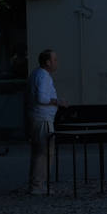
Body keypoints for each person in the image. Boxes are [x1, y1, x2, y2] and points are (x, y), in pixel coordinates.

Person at [27, 48, 61, 195]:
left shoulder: (36, 74)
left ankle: (36, 183)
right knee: (45, 152)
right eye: (54, 60)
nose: (56, 63)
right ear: (47, 62)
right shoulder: (44, 76)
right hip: (43, 119)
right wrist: (57, 101)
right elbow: (41, 98)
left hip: (37, 118)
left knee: (38, 152)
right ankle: (38, 185)